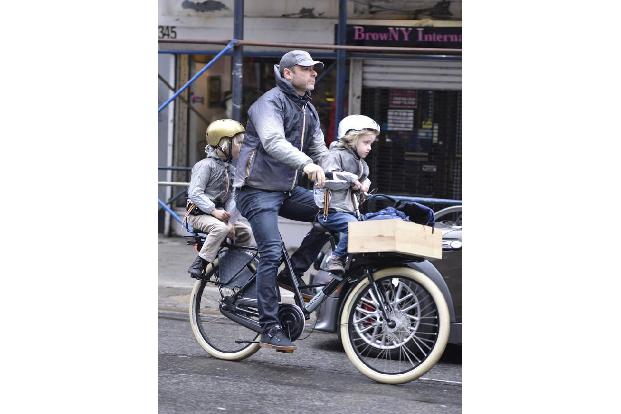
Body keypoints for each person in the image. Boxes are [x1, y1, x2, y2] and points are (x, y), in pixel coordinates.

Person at [234, 50, 330, 352]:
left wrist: (346, 177)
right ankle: (269, 325)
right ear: (288, 73)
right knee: (272, 249)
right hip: (255, 190)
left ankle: (293, 272)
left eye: (315, 69)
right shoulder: (269, 103)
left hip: (285, 190)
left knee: (331, 212)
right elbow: (273, 142)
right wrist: (307, 165)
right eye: (307, 69)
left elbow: (321, 151)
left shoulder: (308, 109)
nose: (314, 73)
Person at [186, 119, 254, 279]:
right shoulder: (205, 165)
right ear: (224, 144)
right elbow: (195, 193)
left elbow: (231, 196)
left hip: (218, 215)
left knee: (245, 231)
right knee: (220, 229)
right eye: (239, 142)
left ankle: (235, 262)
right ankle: (200, 263)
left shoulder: (229, 168)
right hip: (199, 215)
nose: (242, 147)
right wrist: (213, 211)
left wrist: (229, 218)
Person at [316, 115, 381, 273]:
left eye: (371, 143)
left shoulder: (362, 164)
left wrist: (366, 184)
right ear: (351, 139)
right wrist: (352, 180)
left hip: (350, 212)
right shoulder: (333, 156)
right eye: (366, 143)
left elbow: (364, 180)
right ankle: (335, 258)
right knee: (355, 229)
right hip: (332, 211)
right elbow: (326, 179)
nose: (369, 148)